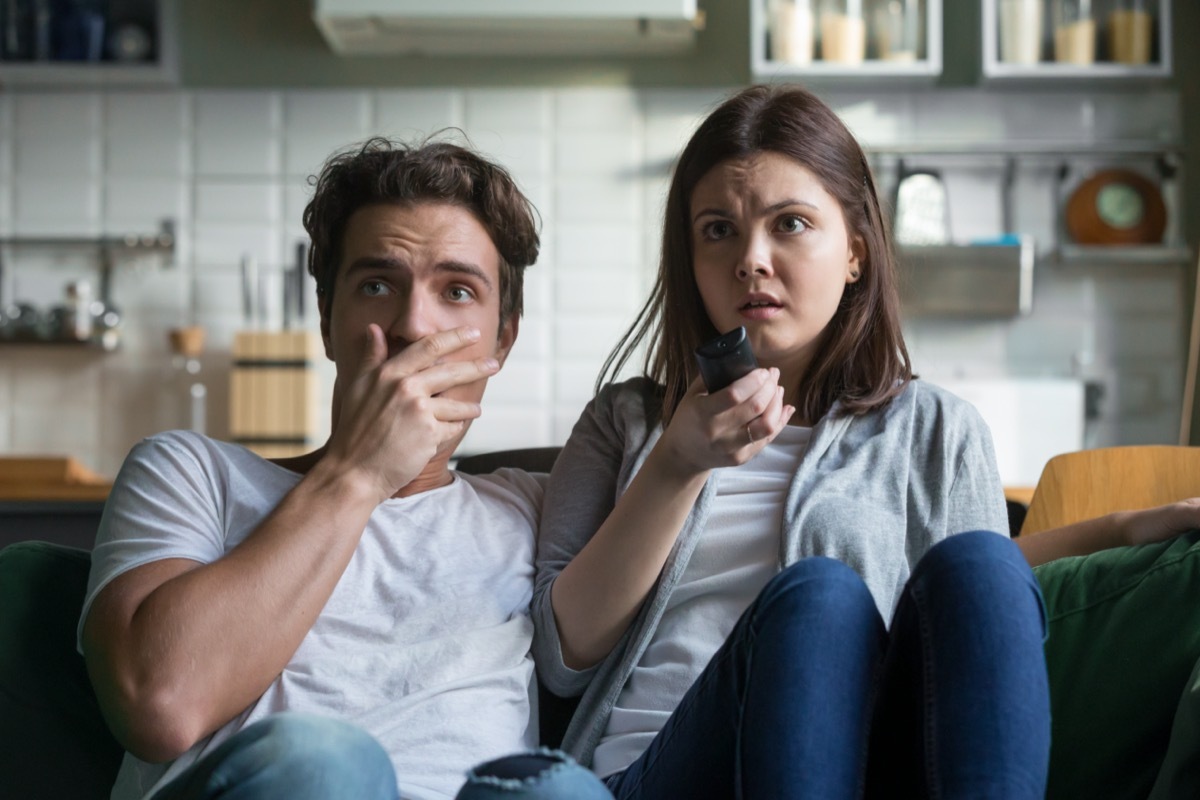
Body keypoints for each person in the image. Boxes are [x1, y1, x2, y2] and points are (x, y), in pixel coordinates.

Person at [530, 83, 1200, 799]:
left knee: (972, 564)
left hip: (869, 769)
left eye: (788, 223)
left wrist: (1130, 525)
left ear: (855, 252)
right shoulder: (625, 422)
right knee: (819, 597)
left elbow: (968, 582)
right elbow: (562, 658)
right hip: (663, 769)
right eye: (718, 230)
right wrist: (676, 464)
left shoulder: (938, 429)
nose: (750, 258)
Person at [78, 138, 611, 800]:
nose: (415, 324)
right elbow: (159, 705)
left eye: (458, 291)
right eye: (378, 284)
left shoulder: (536, 511)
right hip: (299, 785)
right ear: (329, 319)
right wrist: (361, 472)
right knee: (326, 763)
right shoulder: (189, 474)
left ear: (504, 335)